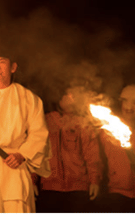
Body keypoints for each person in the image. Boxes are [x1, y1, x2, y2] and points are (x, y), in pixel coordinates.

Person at [0, 42, 51, 213]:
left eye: (3, 63)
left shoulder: (29, 99)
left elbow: (39, 133)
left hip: (12, 170)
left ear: (13, 67)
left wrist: (22, 154)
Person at [37, 84, 102, 212]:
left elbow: (92, 154)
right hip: (50, 187)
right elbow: (37, 151)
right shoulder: (45, 121)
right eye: (69, 95)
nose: (73, 99)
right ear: (60, 97)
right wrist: (33, 180)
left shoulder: (82, 123)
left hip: (78, 188)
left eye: (75, 96)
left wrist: (95, 181)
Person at [96, 84, 135, 212]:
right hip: (117, 194)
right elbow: (97, 160)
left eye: (134, 102)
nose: (129, 107)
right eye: (125, 101)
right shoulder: (109, 129)